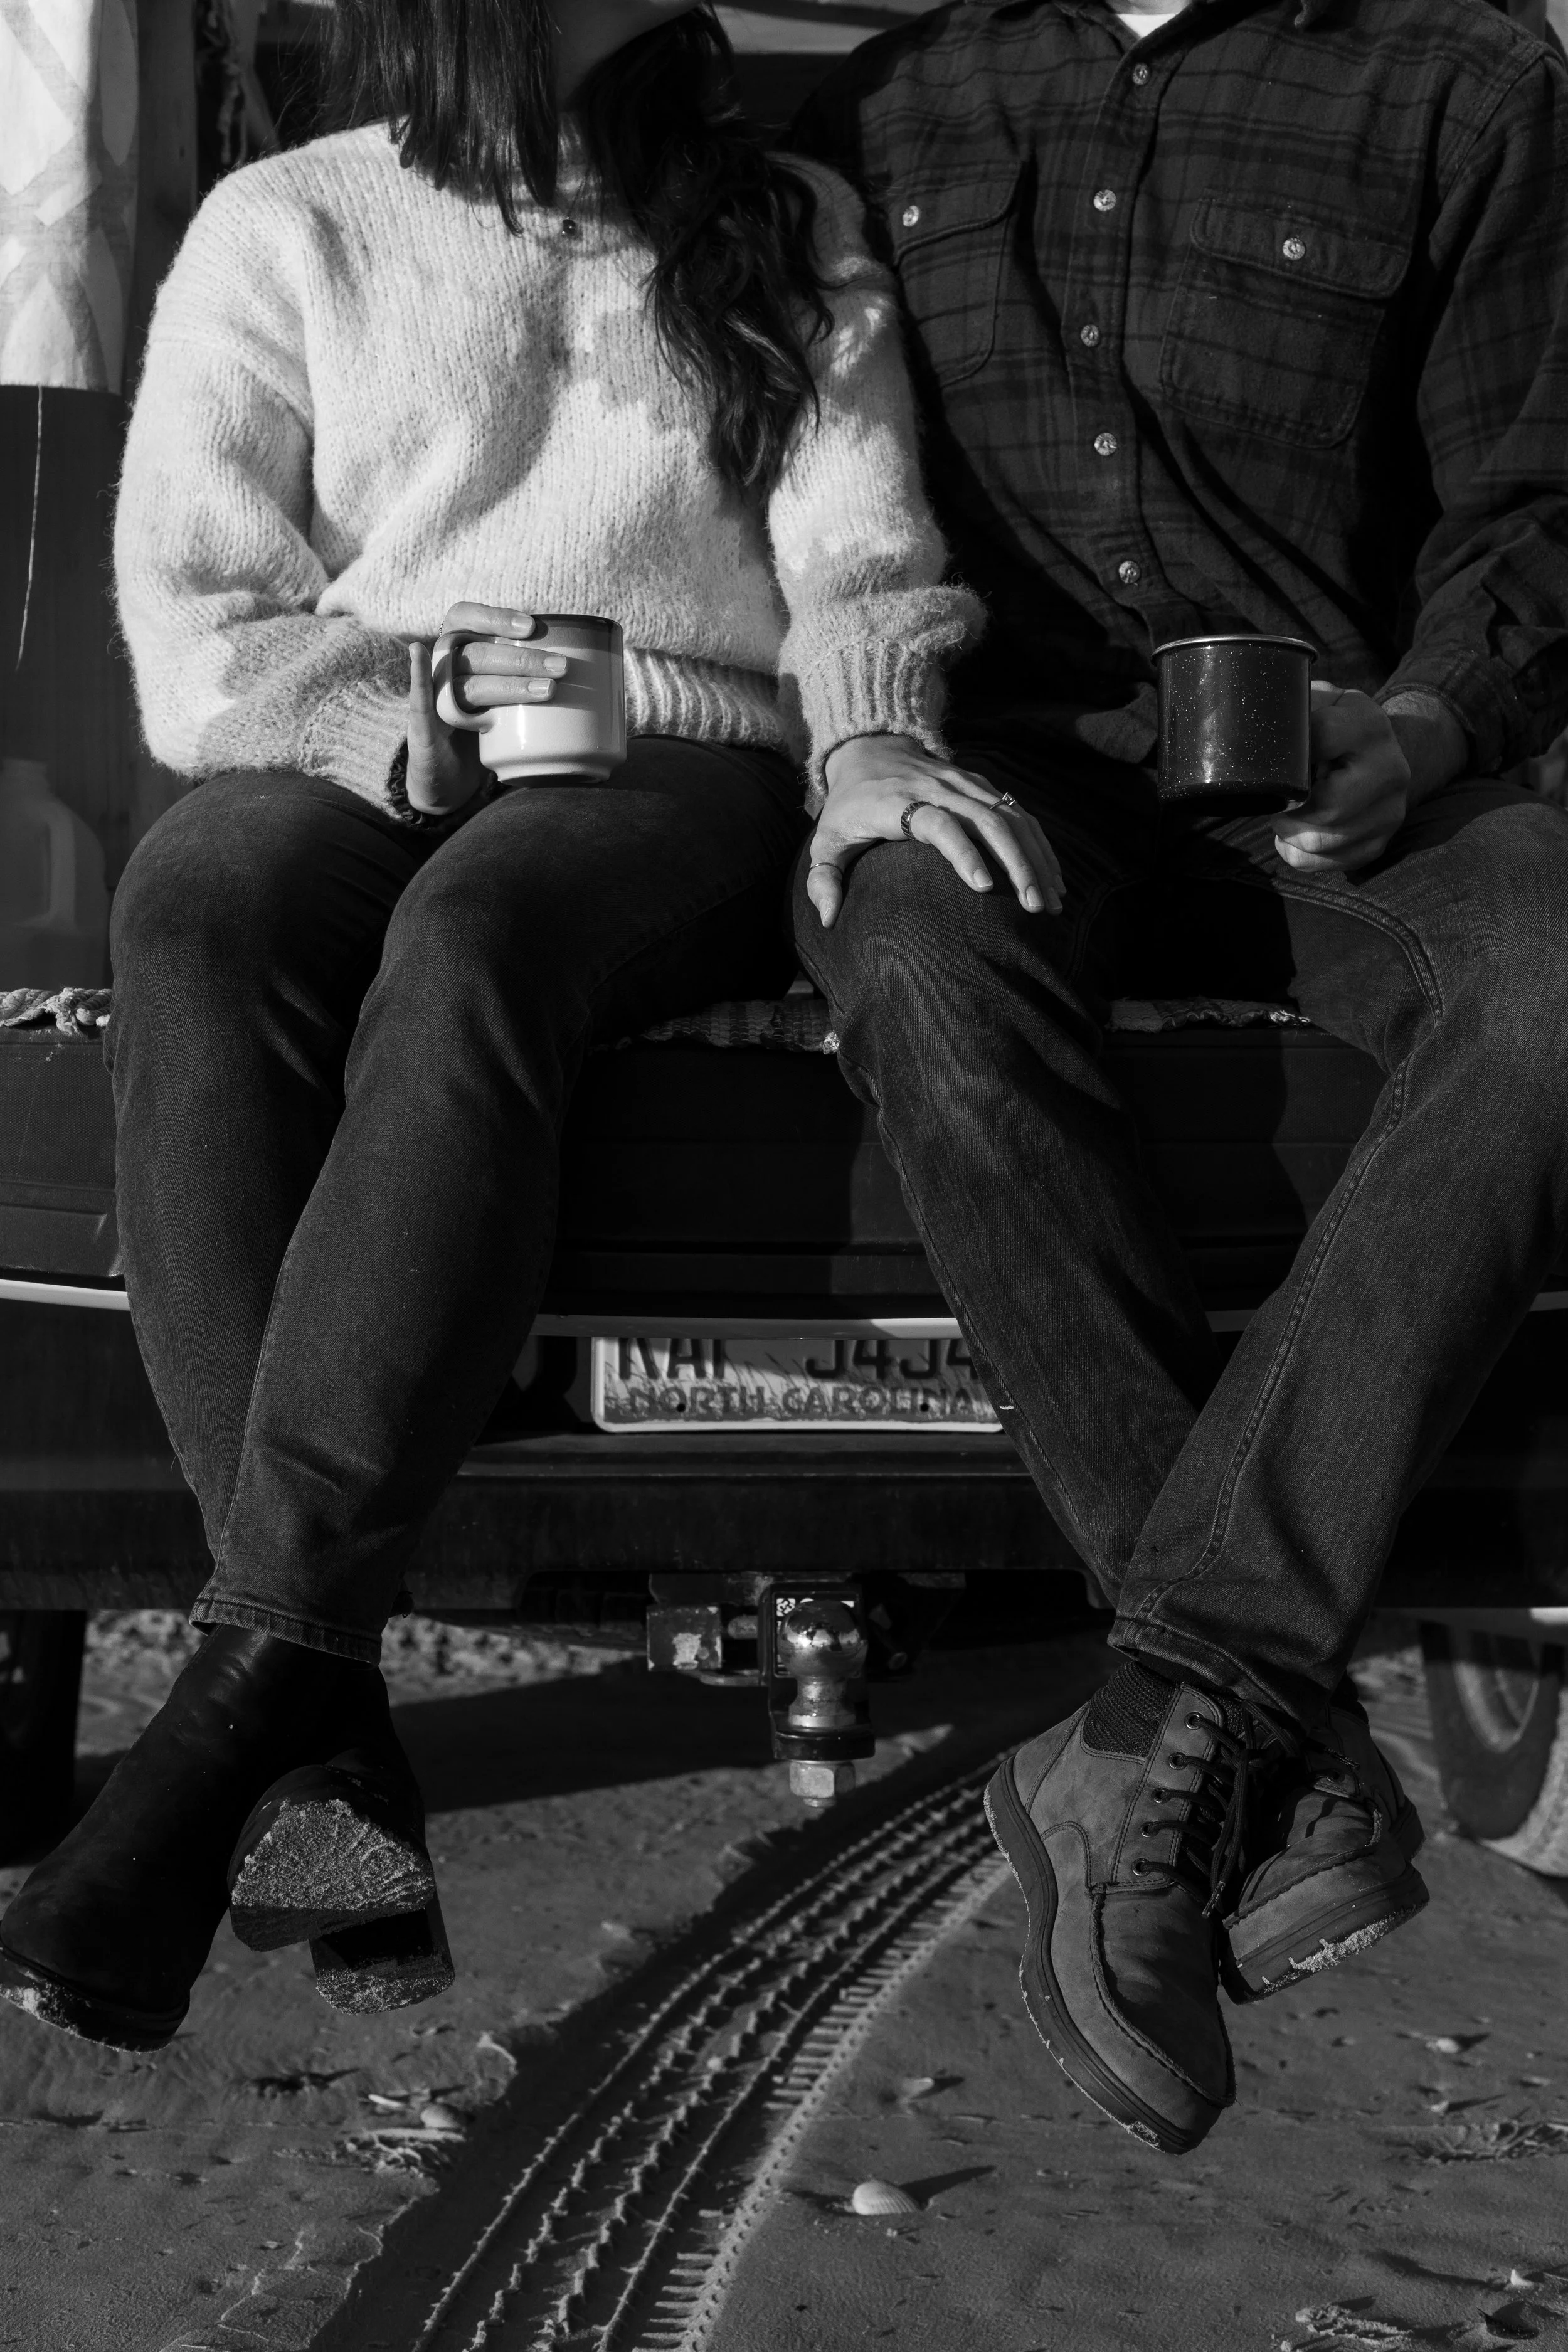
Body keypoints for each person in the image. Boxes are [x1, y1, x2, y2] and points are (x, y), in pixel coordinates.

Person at [0, 0, 1016, 2052]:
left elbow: (857, 552)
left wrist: (878, 739)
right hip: (358, 739)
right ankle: (321, 1738)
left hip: (686, 759)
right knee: (191, 904)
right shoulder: (287, 224)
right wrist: (405, 732)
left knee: (479, 934)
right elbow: (200, 620)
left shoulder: (777, 216)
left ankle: (259, 1693)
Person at [791, 0, 1568, 2152]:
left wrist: (1419, 723)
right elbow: (804, 471)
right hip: (1013, 779)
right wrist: (861, 742)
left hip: (1359, 787)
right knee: (909, 955)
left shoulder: (1465, 86)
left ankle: (1174, 1706)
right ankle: (1256, 1729)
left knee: (1562, 985)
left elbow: (1535, 507)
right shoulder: (884, 102)